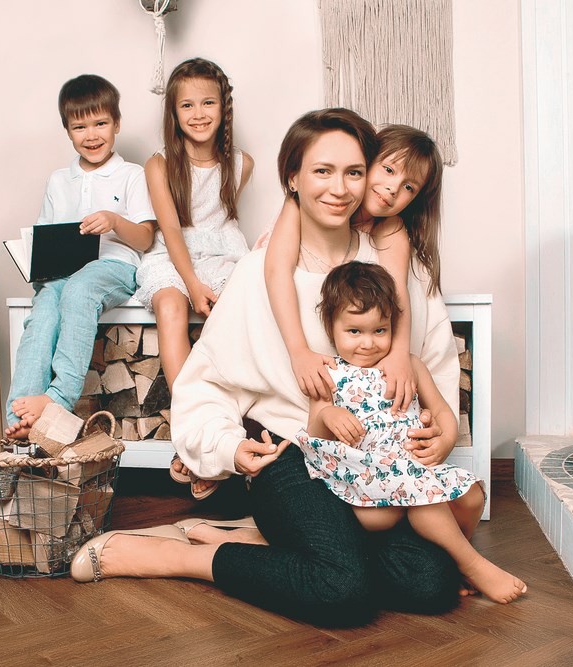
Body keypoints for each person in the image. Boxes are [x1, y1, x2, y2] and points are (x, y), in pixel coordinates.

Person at [70, 109, 465, 625]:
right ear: (293, 179)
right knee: (342, 589)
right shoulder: (260, 270)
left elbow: (432, 361)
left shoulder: (395, 261)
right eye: (322, 171)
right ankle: (182, 557)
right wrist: (228, 448)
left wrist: (443, 430)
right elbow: (206, 381)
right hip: (291, 454)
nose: (340, 188)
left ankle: (266, 540)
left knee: (434, 582)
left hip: (374, 462)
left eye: (353, 172)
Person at [302, 261, 526, 604]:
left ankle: (453, 562)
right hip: (367, 485)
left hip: (414, 470)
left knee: (471, 497)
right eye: (354, 331)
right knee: (426, 500)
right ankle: (473, 564)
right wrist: (328, 415)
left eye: (380, 330)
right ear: (331, 328)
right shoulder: (329, 374)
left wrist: (445, 440)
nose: (368, 343)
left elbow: (443, 412)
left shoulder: (410, 366)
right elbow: (313, 434)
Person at [5, 74, 156, 438]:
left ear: (117, 124)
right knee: (43, 311)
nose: (91, 135)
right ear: (67, 131)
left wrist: (114, 221)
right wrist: (38, 267)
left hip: (114, 267)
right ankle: (18, 418)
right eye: (79, 127)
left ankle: (59, 396)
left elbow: (145, 238)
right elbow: (45, 239)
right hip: (64, 272)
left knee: (79, 289)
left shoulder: (131, 175)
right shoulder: (59, 180)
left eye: (100, 123)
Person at [133, 57, 254, 499]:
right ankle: (191, 432)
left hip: (222, 255)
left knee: (239, 314)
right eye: (187, 105)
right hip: (173, 255)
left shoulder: (241, 164)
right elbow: (170, 231)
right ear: (173, 112)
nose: (198, 113)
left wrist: (211, 283)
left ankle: (221, 434)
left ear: (224, 107)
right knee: (171, 305)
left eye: (208, 103)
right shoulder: (159, 164)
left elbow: (221, 225)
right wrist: (192, 284)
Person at [264, 124, 445, 415]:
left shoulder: (390, 227)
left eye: (409, 187)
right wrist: (299, 352)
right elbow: (276, 270)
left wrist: (399, 354)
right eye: (388, 170)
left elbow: (397, 291)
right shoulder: (305, 202)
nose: (393, 188)